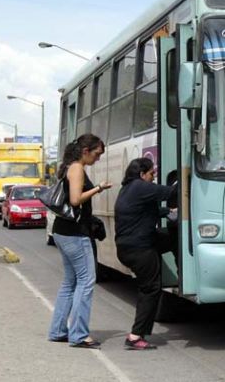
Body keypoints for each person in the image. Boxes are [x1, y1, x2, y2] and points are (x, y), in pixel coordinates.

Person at [47, 134, 112, 349]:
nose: (98, 159)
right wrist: (99, 188)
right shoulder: (76, 168)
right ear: (86, 151)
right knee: (86, 282)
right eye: (96, 154)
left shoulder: (69, 166)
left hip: (63, 231)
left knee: (70, 283)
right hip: (76, 233)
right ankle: (79, 335)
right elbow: (76, 200)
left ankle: (58, 331)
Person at [114, 157, 177, 350]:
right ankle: (135, 336)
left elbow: (146, 211)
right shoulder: (140, 187)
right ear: (142, 174)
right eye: (152, 174)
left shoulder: (128, 189)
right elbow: (172, 192)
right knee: (150, 289)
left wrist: (166, 211)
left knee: (174, 238)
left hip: (130, 245)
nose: (154, 177)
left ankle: (186, 272)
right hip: (139, 248)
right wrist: (187, 174)